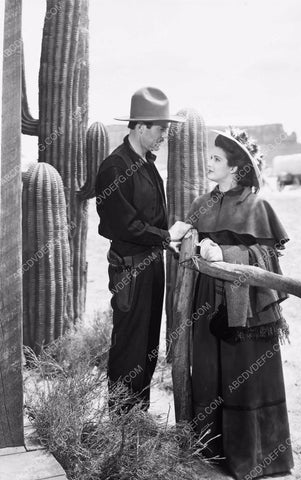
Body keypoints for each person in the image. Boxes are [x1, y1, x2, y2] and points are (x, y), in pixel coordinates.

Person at [185, 129, 294, 479]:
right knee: (208, 368)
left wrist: (226, 253)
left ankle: (255, 455)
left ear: (235, 168)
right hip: (207, 299)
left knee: (244, 372)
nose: (209, 163)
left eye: (216, 158)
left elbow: (268, 259)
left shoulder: (257, 206)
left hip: (248, 306)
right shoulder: (201, 204)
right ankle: (212, 448)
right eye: (210, 157)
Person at [95, 86, 191, 412]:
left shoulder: (147, 164)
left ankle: (138, 416)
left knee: (148, 341)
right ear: (140, 127)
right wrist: (166, 236)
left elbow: (150, 219)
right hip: (129, 268)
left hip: (151, 263)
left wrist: (166, 238)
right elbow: (126, 226)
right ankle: (122, 421)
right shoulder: (114, 167)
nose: (165, 135)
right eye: (161, 128)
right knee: (129, 344)